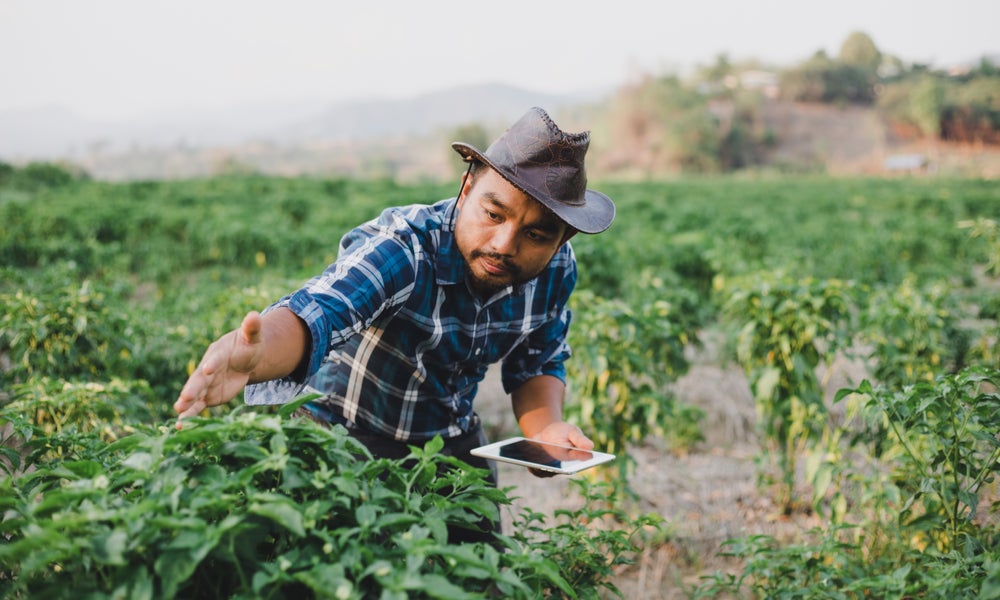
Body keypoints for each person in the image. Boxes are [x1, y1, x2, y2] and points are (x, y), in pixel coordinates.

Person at [173, 106, 615, 541]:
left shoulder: (557, 270)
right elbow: (323, 311)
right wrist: (258, 353)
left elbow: (537, 360)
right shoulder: (406, 247)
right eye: (493, 215)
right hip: (341, 428)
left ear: (563, 239)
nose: (503, 244)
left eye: (536, 234)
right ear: (466, 190)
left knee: (482, 568)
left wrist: (546, 431)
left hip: (446, 434)